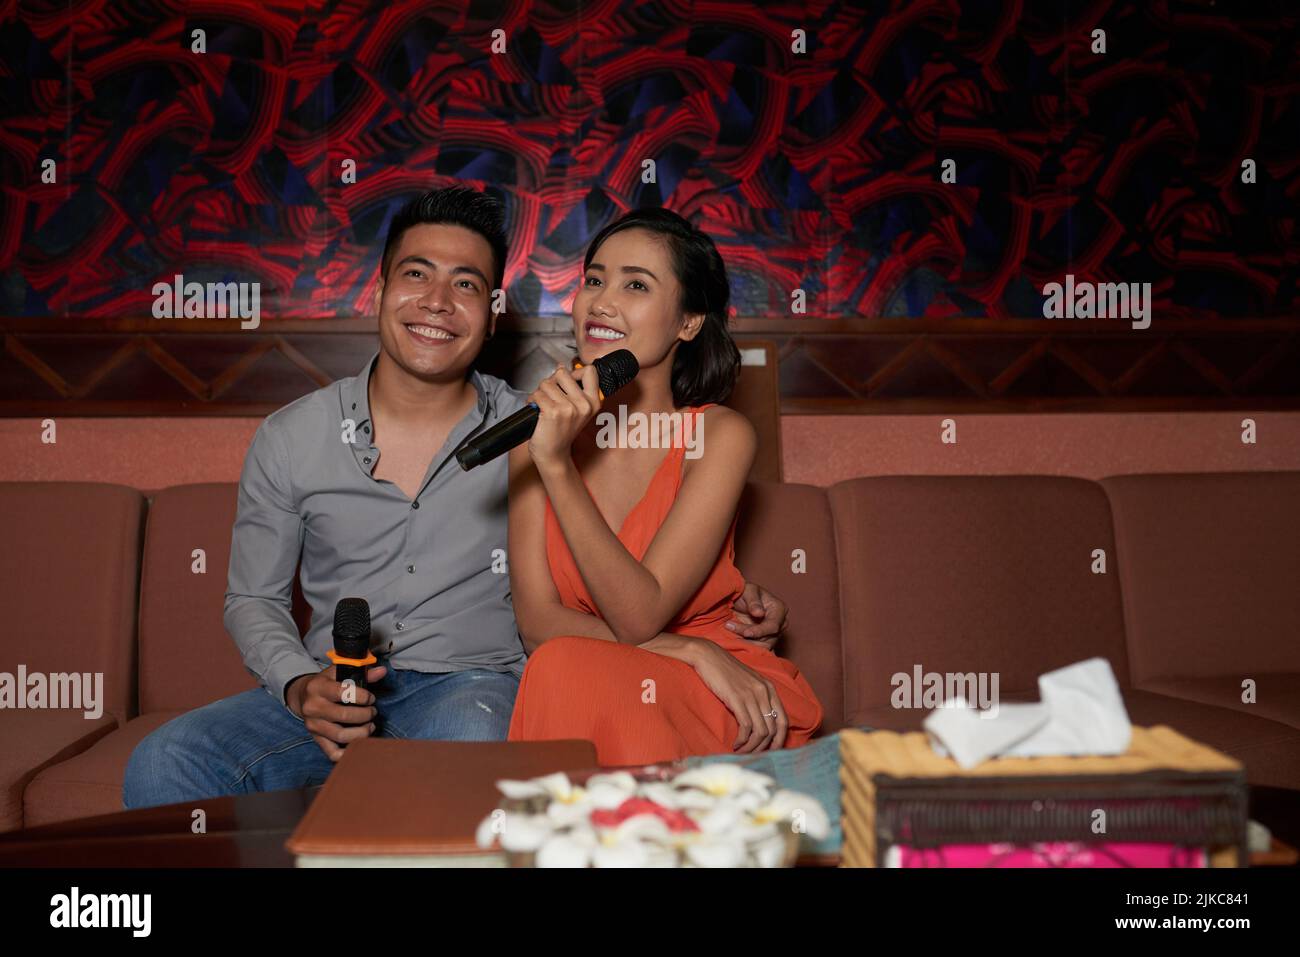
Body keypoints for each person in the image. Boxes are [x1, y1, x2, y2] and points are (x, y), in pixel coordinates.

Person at [122, 187, 791, 807]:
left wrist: (725, 594)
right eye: (416, 274)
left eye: (466, 283)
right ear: (379, 288)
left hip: (470, 686)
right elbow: (252, 600)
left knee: (464, 757)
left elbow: (636, 536)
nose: (438, 301)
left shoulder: (532, 424)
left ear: (494, 311)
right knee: (163, 762)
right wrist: (301, 686)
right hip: (332, 690)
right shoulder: (291, 437)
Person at [505, 208, 824, 766]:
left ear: (688, 322)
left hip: (714, 695)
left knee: (565, 669)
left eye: (636, 285)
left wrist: (556, 467)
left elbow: (639, 615)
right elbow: (537, 625)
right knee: (558, 665)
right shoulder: (534, 435)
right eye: (595, 279)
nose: (601, 301)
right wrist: (690, 651)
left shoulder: (718, 436)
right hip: (661, 668)